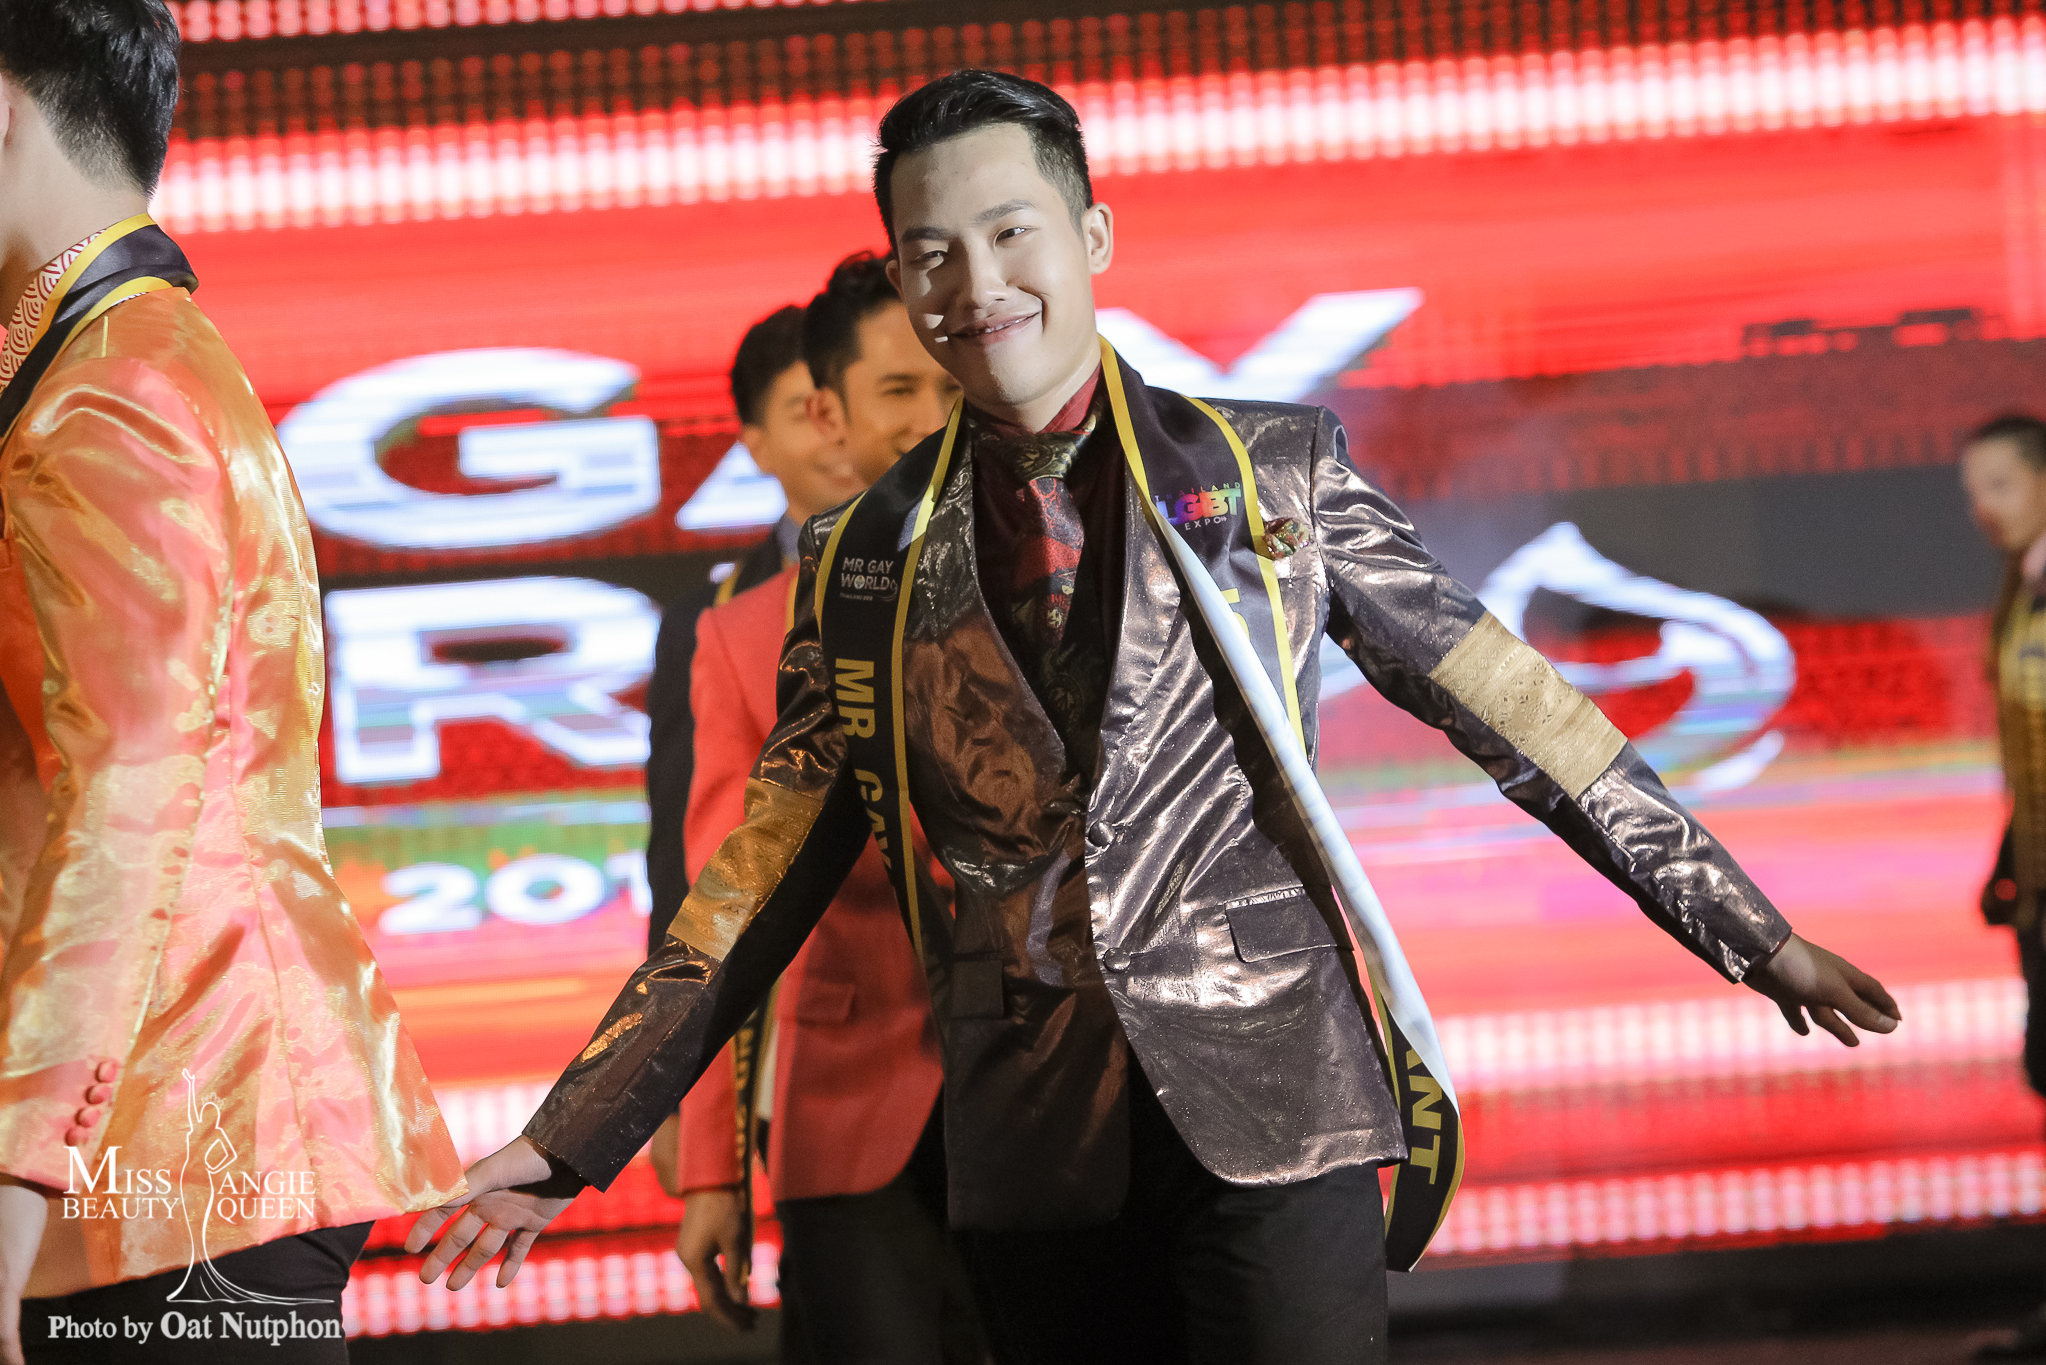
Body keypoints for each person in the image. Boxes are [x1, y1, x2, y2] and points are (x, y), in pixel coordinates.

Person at [412, 70, 1902, 1365]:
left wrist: (1742, 926)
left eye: (1011, 232)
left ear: (1094, 238)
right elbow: (754, 879)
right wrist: (571, 1137)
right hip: (1031, 1137)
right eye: (931, 253)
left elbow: (1510, 705)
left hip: (1281, 1106)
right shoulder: (862, 558)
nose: (977, 282)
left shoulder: (1270, 473)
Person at [0, 4, 466, 1362]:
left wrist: (17, 1166)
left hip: (179, 1135)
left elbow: (132, 790)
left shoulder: (112, 392)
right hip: (165, 1133)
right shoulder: (99, 360)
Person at [663, 254, 979, 1364]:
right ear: (831, 414)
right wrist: (709, 1167)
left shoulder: (1072, 576)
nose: (931, 417)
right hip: (848, 1113)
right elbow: (720, 911)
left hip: (1052, 1102)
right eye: (898, 388)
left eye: (950, 385)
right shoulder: (742, 636)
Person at [644, 304, 856, 952]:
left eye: (846, 404)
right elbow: (683, 852)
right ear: (756, 446)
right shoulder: (707, 625)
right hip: (808, 971)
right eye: (805, 412)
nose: (836, 433)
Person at [1961, 415, 2046, 1361]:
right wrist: (2012, 860)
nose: (1985, 509)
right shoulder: (2021, 586)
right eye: (1974, 492)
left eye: (2001, 485)